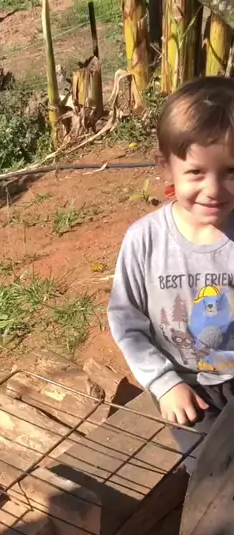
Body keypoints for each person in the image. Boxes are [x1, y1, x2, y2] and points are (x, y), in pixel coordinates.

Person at [108, 76, 234, 471]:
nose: (214, 189)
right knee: (211, 476)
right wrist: (165, 384)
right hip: (187, 385)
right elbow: (127, 323)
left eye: (231, 170)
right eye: (196, 172)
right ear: (166, 167)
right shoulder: (144, 241)